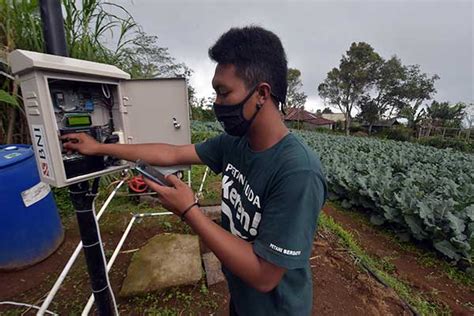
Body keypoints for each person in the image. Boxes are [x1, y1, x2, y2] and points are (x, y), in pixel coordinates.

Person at [63, 25, 327, 316]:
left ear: (262, 94)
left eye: (223, 93)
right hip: (242, 300)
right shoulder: (236, 143)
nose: (217, 103)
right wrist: (100, 148)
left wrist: (189, 211)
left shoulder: (297, 172)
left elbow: (265, 275)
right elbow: (172, 152)